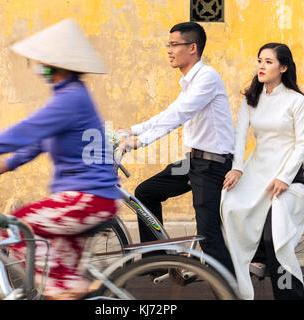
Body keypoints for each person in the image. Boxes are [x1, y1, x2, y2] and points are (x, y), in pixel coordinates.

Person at [0, 19, 121, 300]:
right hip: (89, 197)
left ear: (55, 65)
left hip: (86, 198)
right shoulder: (71, 96)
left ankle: (69, 289)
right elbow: (40, 139)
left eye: (40, 62)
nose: (36, 67)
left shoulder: (70, 99)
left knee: (18, 228)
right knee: (56, 281)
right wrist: (8, 164)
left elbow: (25, 131)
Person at [119, 22, 236, 275]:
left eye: (174, 45)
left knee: (209, 238)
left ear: (192, 48)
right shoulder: (189, 82)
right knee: (145, 192)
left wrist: (139, 142)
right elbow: (169, 112)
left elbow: (180, 115)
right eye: (168, 45)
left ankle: (232, 291)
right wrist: (132, 130)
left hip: (212, 166)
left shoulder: (207, 77)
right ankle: (158, 262)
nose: (169, 50)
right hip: (193, 162)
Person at [220, 43, 304, 300]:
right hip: (257, 168)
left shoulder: (296, 101)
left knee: (276, 238)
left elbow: (302, 144)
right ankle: (250, 264)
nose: (261, 66)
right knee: (229, 207)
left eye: (269, 62)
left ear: (283, 68)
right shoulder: (252, 97)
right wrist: (237, 168)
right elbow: (239, 136)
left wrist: (284, 177)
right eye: (260, 60)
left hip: (288, 174)